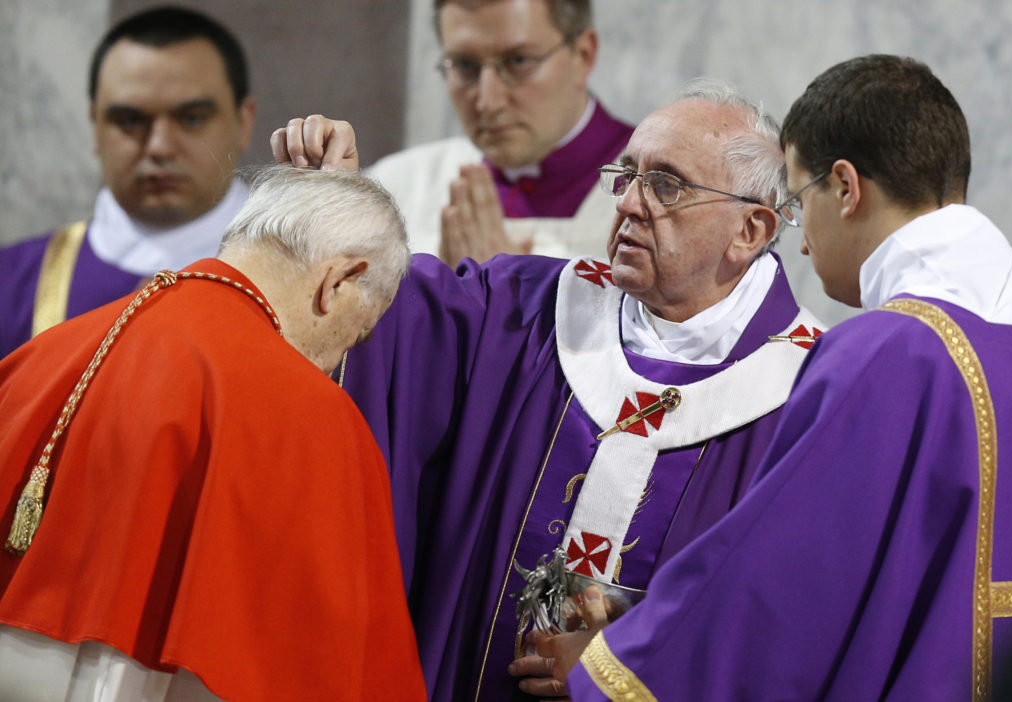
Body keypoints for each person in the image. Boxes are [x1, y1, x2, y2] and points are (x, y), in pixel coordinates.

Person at [273, 79, 825, 700]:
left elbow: (788, 629)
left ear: (750, 231)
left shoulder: (812, 398)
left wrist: (627, 669)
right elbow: (388, 315)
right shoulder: (523, 312)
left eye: (666, 185)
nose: (629, 204)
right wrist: (337, 205)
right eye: (626, 175)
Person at [552, 55, 1012, 701]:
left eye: (798, 205)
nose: (800, 245)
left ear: (846, 188)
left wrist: (611, 662)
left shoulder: (887, 356)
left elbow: (774, 596)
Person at [0, 165, 425, 702]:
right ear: (338, 280)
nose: (339, 357)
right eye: (357, 334)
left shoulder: (45, 354)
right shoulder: (318, 416)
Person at [288, 0, 633, 267]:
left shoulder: (658, 190)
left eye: (518, 62)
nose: (488, 101)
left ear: (583, 55)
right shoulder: (397, 185)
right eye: (465, 66)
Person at [0, 5, 256, 358]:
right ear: (95, 127)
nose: (160, 147)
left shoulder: (315, 289)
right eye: (130, 120)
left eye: (192, 118)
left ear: (243, 122)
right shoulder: (10, 287)